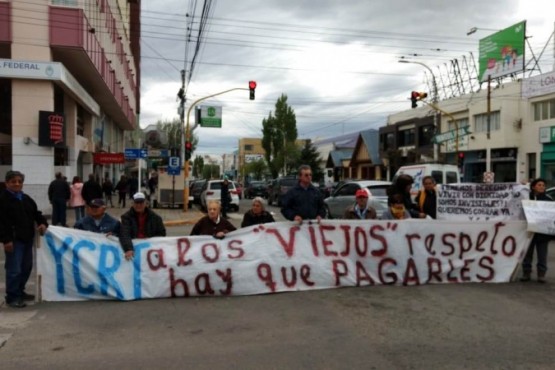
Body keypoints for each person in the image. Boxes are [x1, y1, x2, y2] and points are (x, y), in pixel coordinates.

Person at [0, 171, 48, 308]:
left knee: (26, 267)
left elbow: (37, 214)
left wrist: (42, 223)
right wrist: (6, 240)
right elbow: (1, 222)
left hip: (27, 239)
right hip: (14, 240)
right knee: (14, 269)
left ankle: (20, 291)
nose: (17, 184)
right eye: (13, 181)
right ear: (6, 183)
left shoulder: (26, 198)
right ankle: (12, 297)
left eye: (19, 181)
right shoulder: (3, 199)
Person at [521, 178, 553, 283]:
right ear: (533, 187)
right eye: (539, 185)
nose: (542, 187)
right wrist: (522, 186)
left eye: (543, 185)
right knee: (527, 253)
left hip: (542, 232)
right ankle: (526, 272)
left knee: (542, 254)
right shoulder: (527, 198)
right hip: (529, 231)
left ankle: (541, 274)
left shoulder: (548, 200)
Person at [119, 192, 166, 261]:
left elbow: (161, 234)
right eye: (136, 203)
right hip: (133, 248)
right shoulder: (126, 217)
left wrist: (151, 243)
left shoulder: (156, 218)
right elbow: (125, 233)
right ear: (133, 204)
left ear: (146, 203)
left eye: (141, 203)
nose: (139, 205)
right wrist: (128, 249)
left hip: (149, 250)